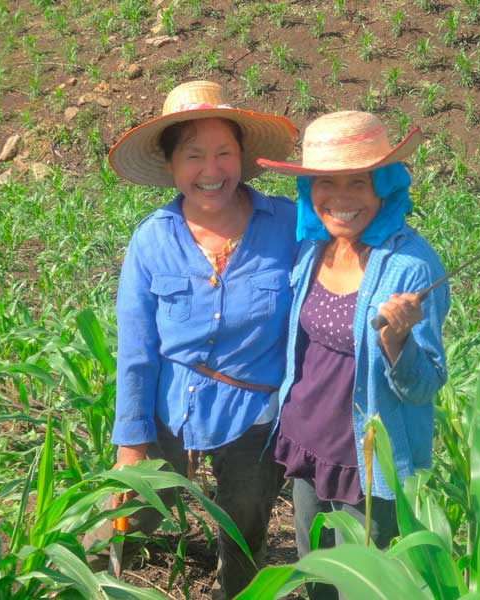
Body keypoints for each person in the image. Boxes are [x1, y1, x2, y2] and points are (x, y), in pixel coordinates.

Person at [86, 80, 298, 599]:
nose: (211, 170)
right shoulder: (152, 239)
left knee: (244, 524)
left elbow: (347, 255)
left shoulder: (289, 225)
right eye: (194, 155)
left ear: (242, 158)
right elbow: (137, 350)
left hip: (254, 410)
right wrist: (131, 443)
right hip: (169, 404)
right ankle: (82, 579)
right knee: (127, 514)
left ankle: (236, 591)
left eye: (224, 153)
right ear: (170, 165)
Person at [257, 111, 450, 599]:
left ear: (384, 187)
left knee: (365, 585)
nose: (340, 199)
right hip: (306, 442)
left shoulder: (411, 266)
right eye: (326, 183)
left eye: (358, 183)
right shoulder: (312, 249)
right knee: (316, 572)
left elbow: (425, 384)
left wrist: (397, 340)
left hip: (366, 463)